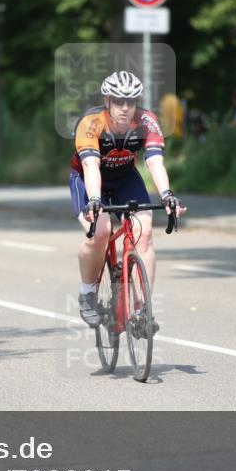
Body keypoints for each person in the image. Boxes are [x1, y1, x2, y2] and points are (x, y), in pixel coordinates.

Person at [70, 71, 186, 327]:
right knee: (100, 231)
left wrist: (167, 195)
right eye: (119, 101)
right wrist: (95, 200)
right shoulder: (91, 123)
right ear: (107, 100)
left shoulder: (146, 121)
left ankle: (142, 310)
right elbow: (90, 166)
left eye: (131, 102)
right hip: (89, 179)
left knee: (143, 231)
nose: (125, 108)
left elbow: (155, 162)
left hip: (125, 178)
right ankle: (87, 293)